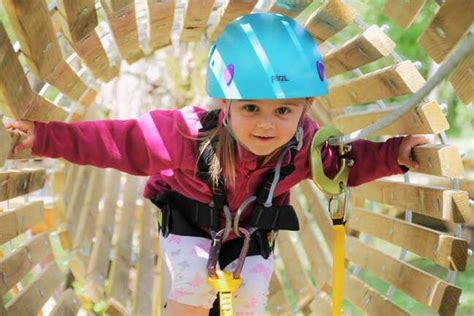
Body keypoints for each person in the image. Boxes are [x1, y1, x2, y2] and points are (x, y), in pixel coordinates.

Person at [6, 13, 428, 316]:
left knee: (250, 301)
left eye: (284, 110)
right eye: (250, 107)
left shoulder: (304, 147)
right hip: (190, 225)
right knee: (191, 291)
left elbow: (348, 164)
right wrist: (44, 137)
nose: (267, 123)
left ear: (306, 106)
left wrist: (395, 154)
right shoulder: (188, 133)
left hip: (250, 235)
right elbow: (119, 141)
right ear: (224, 103)